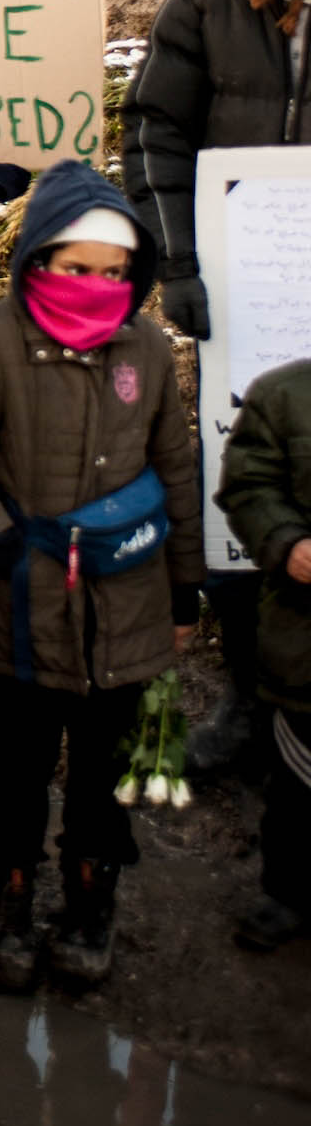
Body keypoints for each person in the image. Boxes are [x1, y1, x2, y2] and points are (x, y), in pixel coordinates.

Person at [0, 161, 202, 994]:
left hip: (128, 602)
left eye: (115, 273)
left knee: (101, 771)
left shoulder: (144, 348)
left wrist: (183, 588)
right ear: (38, 259)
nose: (97, 285)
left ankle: (88, 900)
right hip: (24, 606)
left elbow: (174, 465)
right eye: (78, 268)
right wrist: (1, 549)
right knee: (17, 765)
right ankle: (9, 896)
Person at [123, 0, 311, 776]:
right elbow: (152, 129)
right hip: (241, 313)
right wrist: (175, 260)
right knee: (247, 488)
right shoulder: (197, 2)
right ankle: (248, 696)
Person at [216, 359, 311, 950]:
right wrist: (288, 542)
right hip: (304, 641)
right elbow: (248, 485)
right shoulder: (283, 394)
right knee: (300, 781)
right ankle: (291, 892)